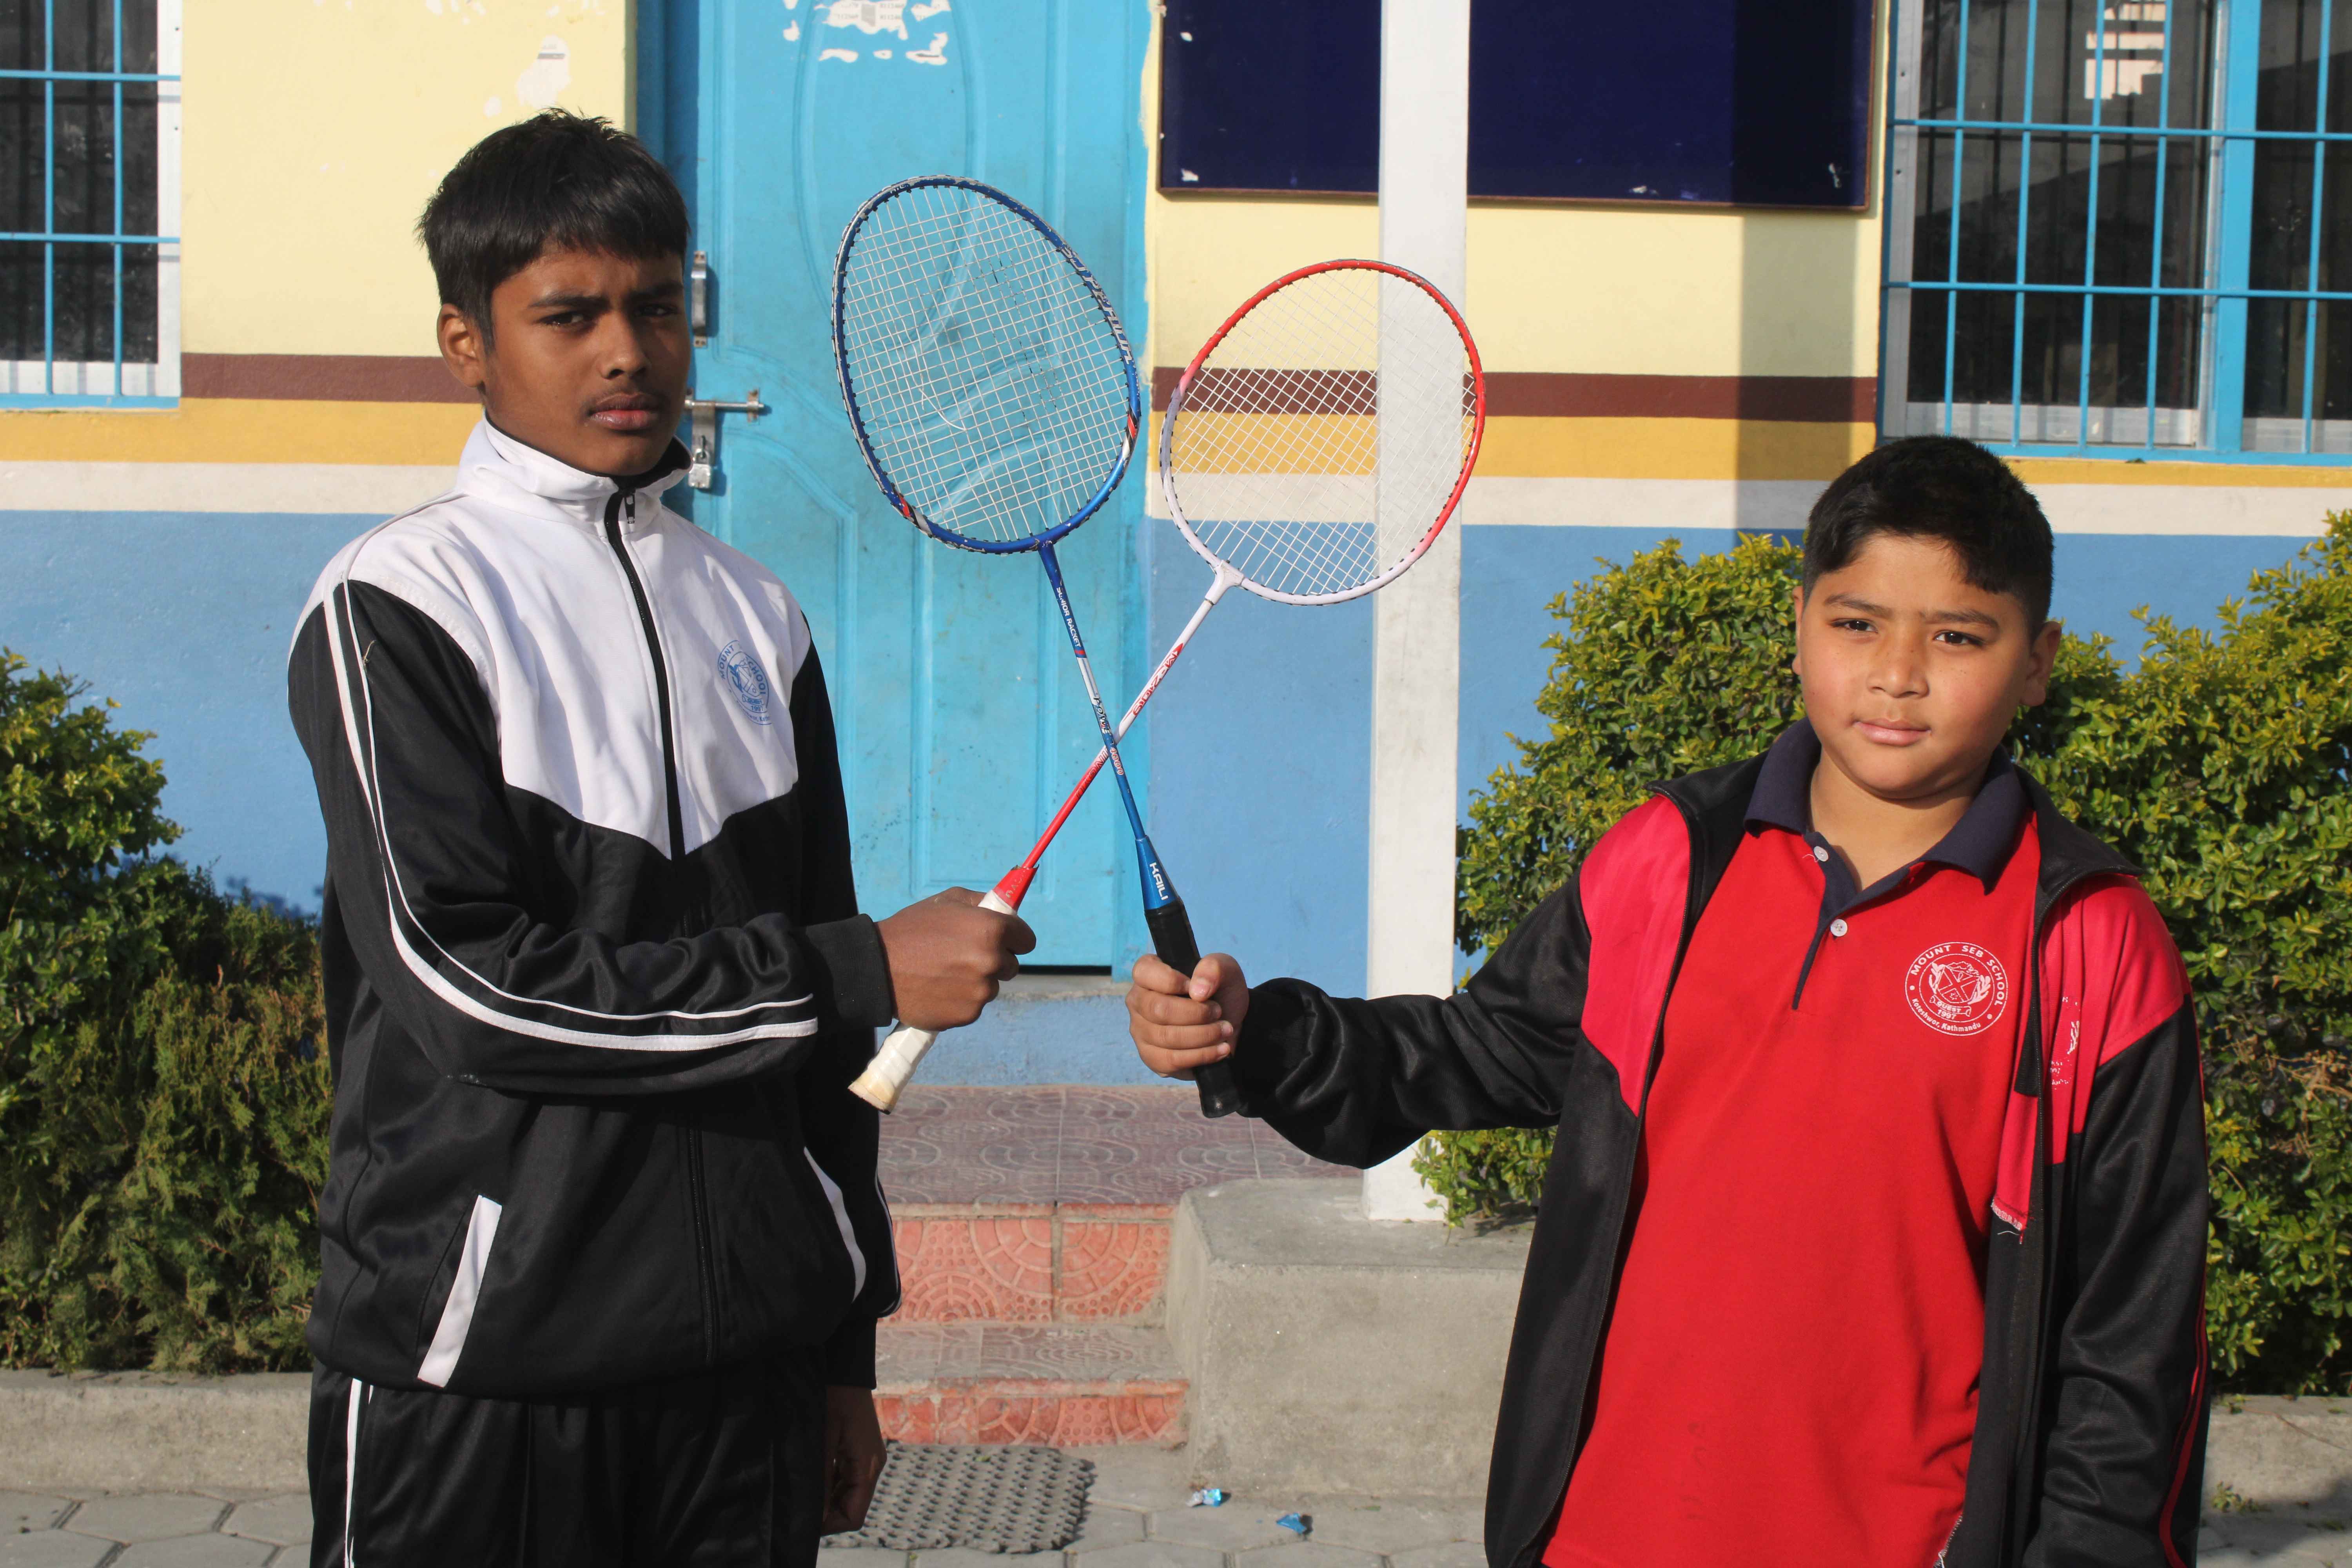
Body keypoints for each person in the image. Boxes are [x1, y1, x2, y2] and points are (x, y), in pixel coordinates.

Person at [1128, 436, 2208, 1568]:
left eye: (1957, 637)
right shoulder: (1675, 860)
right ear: (1801, 626)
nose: (1898, 673)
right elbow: (1482, 1047)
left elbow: (2133, 1334)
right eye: (1857, 623)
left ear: (2037, 661)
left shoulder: (2088, 943)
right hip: (1609, 1528)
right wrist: (1263, 1039)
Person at [286, 110, 1032, 1567]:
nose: (627, 353)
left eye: (656, 307)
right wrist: (852, 968)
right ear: (465, 343)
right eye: (569, 316)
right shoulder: (401, 601)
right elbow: (467, 988)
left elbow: (827, 1070)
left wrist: (842, 1353)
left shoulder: (757, 614)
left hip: (746, 1376)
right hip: (480, 1368)